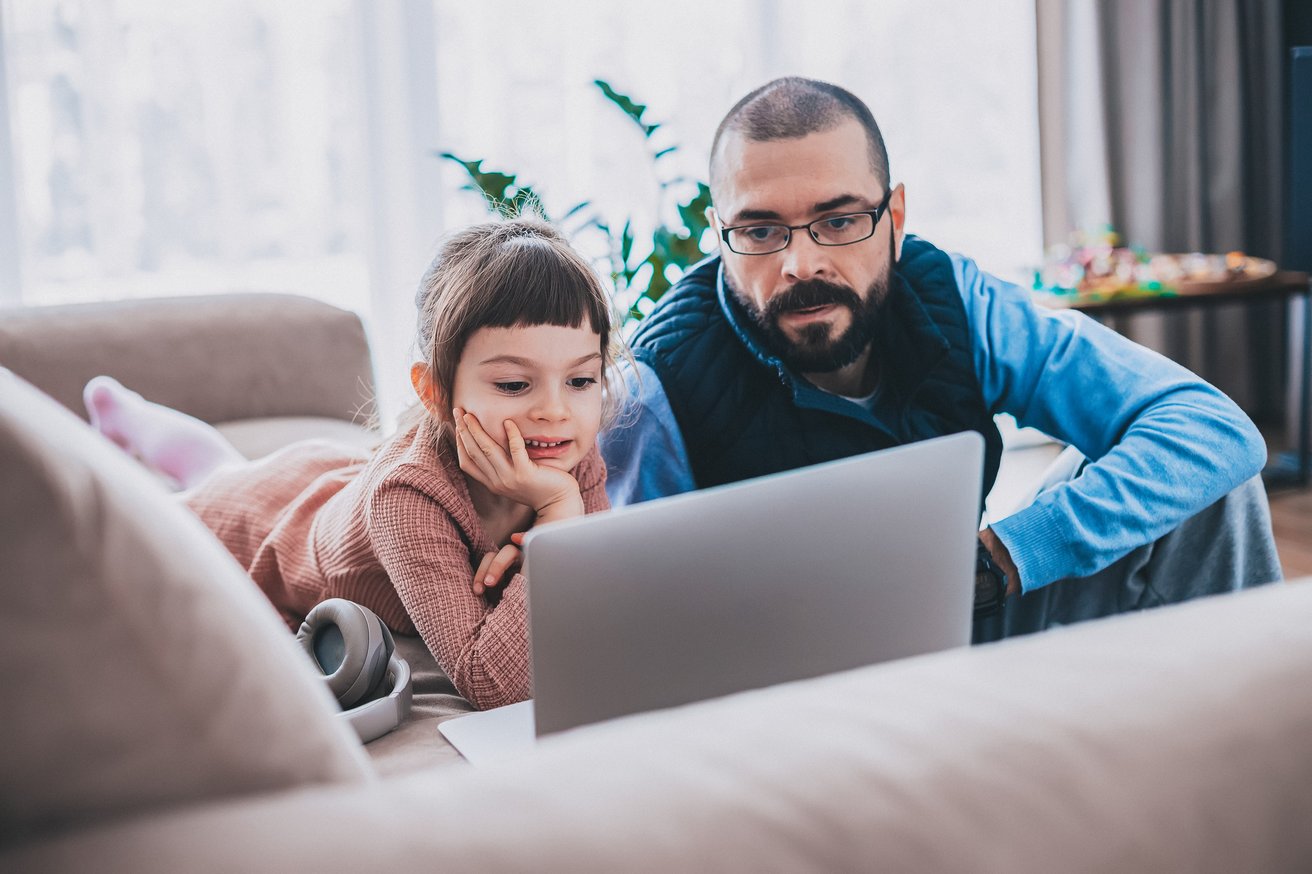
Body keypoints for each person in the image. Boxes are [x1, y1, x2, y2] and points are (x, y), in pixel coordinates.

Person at [601, 76, 1282, 640]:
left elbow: (1211, 428)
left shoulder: (957, 300)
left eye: (839, 221)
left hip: (971, 624)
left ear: (894, 219)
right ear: (719, 235)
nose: (800, 264)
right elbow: (646, 623)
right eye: (759, 230)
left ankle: (1239, 757)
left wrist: (1012, 553)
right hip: (793, 693)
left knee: (1203, 483)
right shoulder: (656, 388)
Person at [84, 218, 620, 709]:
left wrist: (555, 523)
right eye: (513, 384)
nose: (555, 411)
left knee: (218, 466)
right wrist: (557, 515)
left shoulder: (565, 451)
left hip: (335, 477)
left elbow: (596, 607)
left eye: (580, 380)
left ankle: (136, 419)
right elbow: (491, 682)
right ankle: (125, 420)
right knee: (185, 501)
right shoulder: (409, 498)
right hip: (268, 527)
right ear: (434, 393)